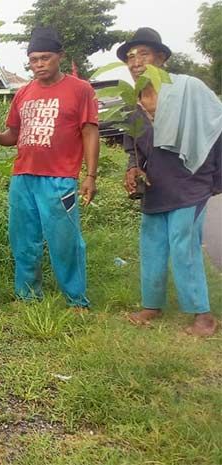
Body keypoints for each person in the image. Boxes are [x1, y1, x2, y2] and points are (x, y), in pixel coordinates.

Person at [118, 28, 221, 337]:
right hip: (156, 185)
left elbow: (217, 125)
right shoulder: (132, 102)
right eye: (131, 57)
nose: (136, 62)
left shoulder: (189, 88)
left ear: (161, 58)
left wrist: (215, 175)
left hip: (191, 181)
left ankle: (203, 315)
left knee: (183, 245)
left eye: (144, 54)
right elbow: (134, 149)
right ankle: (152, 305)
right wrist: (133, 169)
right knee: (152, 246)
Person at [0, 27, 99, 309]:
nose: (38, 64)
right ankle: (27, 296)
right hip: (23, 177)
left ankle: (76, 300)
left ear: (59, 56)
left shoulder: (80, 90)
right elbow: (12, 135)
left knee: (66, 242)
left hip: (59, 178)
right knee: (23, 240)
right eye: (33, 59)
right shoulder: (23, 93)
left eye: (45, 58)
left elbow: (89, 132)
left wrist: (90, 175)